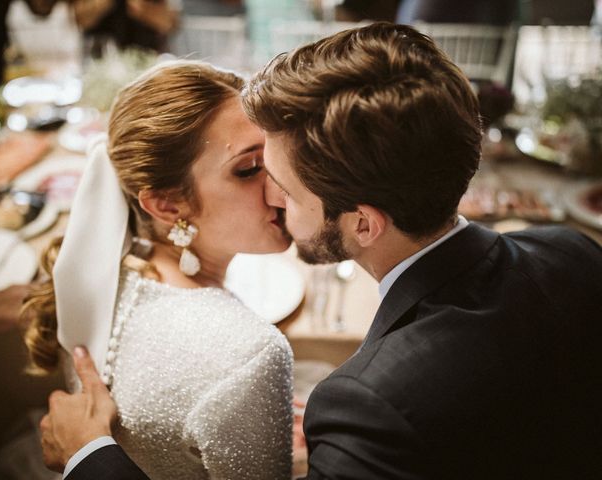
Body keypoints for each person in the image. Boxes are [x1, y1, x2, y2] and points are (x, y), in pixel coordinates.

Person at [40, 22, 602, 479]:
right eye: (251, 168)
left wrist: (91, 459)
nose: (274, 198)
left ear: (363, 224)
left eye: (281, 179)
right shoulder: (573, 252)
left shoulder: (367, 406)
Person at [24, 60, 294, 479]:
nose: (283, 188)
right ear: (167, 205)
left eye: (275, 156)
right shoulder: (253, 355)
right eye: (248, 170)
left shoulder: (96, 274)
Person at [73, 0, 180, 52]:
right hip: (100, 60)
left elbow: (170, 23)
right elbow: (81, 20)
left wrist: (142, 8)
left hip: (146, 59)